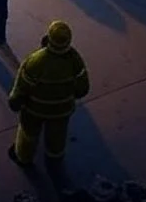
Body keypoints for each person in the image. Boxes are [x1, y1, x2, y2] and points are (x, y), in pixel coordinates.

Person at [8, 20, 90, 167]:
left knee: (28, 133)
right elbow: (82, 88)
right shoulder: (75, 59)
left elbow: (22, 86)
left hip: (34, 109)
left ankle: (23, 157)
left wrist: (15, 101)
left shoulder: (36, 60)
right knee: (57, 135)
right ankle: (54, 158)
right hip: (62, 109)